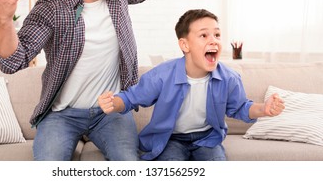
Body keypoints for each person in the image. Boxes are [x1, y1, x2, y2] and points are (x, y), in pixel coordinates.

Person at [0, 0, 201, 161]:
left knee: (129, 165)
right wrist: (3, 19)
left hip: (111, 111)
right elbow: (13, 60)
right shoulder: (52, 6)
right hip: (61, 115)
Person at [98, 9, 285, 161]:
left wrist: (264, 109)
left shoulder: (229, 78)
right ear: (185, 45)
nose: (213, 40)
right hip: (170, 139)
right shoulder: (162, 74)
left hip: (207, 138)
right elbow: (131, 98)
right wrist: (114, 103)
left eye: (217, 35)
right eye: (204, 35)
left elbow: (241, 107)